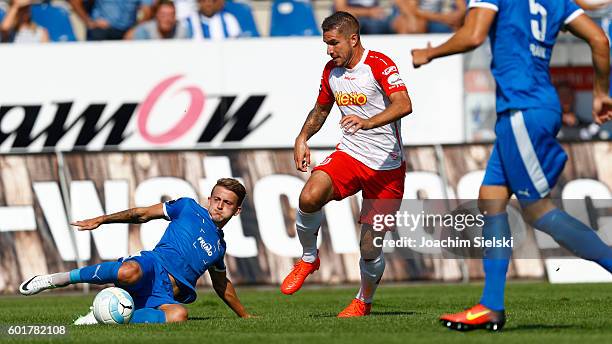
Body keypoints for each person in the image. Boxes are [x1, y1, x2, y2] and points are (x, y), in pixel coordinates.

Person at [412, 0, 612, 331]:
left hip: (523, 108)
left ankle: (492, 304)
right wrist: (600, 92)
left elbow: (473, 36)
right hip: (530, 108)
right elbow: (600, 40)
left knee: (538, 211)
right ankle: (490, 305)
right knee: (491, 198)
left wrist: (429, 53)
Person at [280, 11, 412, 318]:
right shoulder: (331, 71)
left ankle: (362, 301)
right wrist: (302, 137)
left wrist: (368, 122)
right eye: (326, 44)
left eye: (334, 43)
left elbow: (404, 104)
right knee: (309, 196)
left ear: (353, 39)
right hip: (351, 155)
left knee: (370, 247)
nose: (329, 51)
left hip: (387, 169)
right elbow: (321, 109)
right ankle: (309, 258)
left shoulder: (379, 64)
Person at [19, 178, 252, 324]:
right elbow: (141, 214)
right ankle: (55, 279)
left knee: (179, 316)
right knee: (128, 271)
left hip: (165, 295)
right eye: (217, 199)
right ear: (209, 198)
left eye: (228, 203)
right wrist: (102, 219)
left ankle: (102, 318)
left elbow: (222, 284)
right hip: (152, 267)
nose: (219, 206)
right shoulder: (187, 207)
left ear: (237, 210)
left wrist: (245, 316)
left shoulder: (219, 247)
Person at [69, 0, 153, 40]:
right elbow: (75, 2)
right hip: (102, 29)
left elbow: (146, 10)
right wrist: (89, 22)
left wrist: (134, 29)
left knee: (141, 35)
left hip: (127, 30)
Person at [125, 0, 190, 40]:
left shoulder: (182, 32)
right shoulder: (144, 31)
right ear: (156, 16)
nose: (167, 19)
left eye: (171, 15)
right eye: (163, 15)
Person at [394, 0, 466, 34]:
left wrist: (456, 17)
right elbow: (414, 11)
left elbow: (462, 10)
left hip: (442, 18)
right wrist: (443, 18)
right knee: (416, 25)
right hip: (427, 18)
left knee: (459, 26)